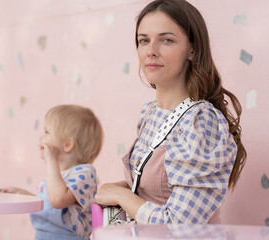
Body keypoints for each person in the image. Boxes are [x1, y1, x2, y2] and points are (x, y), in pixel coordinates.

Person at [95, 0, 246, 225]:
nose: (150, 51)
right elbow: (162, 189)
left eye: (166, 40)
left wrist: (121, 196)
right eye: (143, 40)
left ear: (192, 49)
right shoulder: (149, 113)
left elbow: (179, 224)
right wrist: (127, 187)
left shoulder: (201, 122)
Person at [0, 105, 103, 240]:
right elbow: (50, 205)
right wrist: (23, 195)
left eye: (47, 132)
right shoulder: (59, 175)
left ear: (67, 144)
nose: (41, 137)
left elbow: (58, 200)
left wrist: (51, 161)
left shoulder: (85, 173)